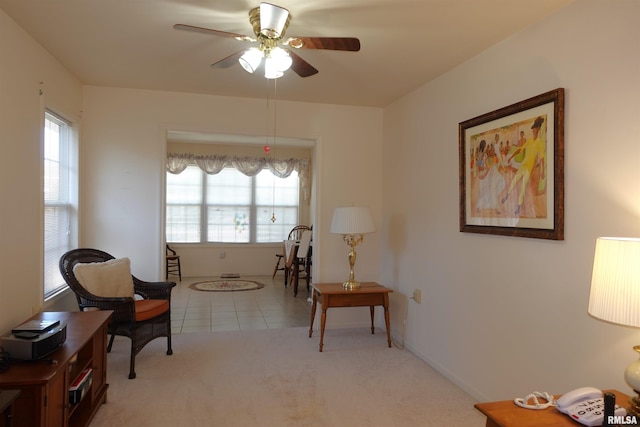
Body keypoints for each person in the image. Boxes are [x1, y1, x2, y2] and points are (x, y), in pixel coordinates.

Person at [501, 117, 545, 215]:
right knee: (514, 180)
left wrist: (543, 172)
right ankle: (507, 195)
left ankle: (519, 206)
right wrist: (511, 157)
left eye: (534, 128)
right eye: (532, 129)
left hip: (529, 168)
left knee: (523, 186)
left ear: (538, 128)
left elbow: (542, 158)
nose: (532, 130)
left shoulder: (539, 143)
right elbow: (520, 149)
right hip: (523, 165)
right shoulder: (529, 140)